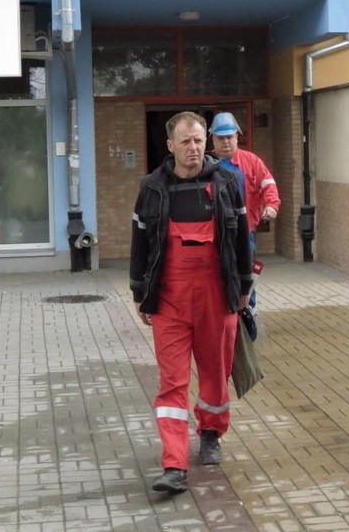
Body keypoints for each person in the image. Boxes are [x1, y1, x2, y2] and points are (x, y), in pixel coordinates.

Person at [130, 111, 253, 494]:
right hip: (169, 300)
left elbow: (240, 241)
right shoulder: (151, 187)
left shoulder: (227, 182)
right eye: (186, 141)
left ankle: (211, 434)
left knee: (215, 374)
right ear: (171, 146)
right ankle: (174, 464)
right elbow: (141, 244)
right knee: (172, 383)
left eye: (199, 140)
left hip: (218, 298)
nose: (194, 147)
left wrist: (245, 286)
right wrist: (140, 293)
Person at [209, 111, 281, 318]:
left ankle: (248, 308)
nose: (225, 142)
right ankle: (220, 307)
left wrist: (272, 206)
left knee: (246, 270)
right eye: (220, 138)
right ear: (212, 138)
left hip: (245, 229)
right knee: (216, 269)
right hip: (214, 231)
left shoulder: (251, 162)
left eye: (229, 137)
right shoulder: (206, 164)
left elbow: (268, 184)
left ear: (237, 137)